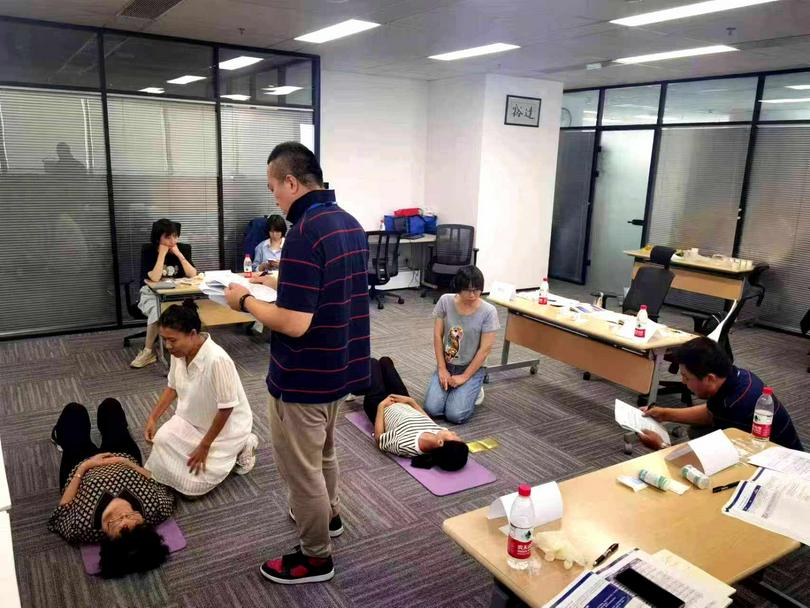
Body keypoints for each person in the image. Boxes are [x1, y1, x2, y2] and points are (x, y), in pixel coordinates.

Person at [224, 141, 370, 585]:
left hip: (302, 374)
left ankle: (315, 557)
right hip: (337, 366)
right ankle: (331, 517)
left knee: (300, 470)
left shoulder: (304, 230)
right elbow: (325, 282)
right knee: (324, 452)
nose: (275, 200)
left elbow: (292, 322)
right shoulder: (347, 222)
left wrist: (245, 299)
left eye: (274, 190)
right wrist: (273, 277)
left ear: (291, 182)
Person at [47, 399, 174, 578]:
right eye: (132, 517)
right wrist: (126, 462)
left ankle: (60, 437)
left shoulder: (82, 528)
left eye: (118, 523)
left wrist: (85, 467)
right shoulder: (157, 509)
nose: (123, 515)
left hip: (80, 466)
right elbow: (157, 480)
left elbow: (59, 514)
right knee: (110, 406)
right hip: (122, 457)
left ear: (107, 536)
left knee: (75, 412)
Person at [144, 301, 258, 497]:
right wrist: (153, 417)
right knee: (162, 441)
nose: (168, 346)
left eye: (172, 340)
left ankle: (244, 444)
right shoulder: (178, 353)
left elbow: (226, 409)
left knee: (191, 492)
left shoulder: (217, 360)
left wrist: (205, 446)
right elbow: (172, 387)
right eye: (164, 339)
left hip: (226, 428)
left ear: (193, 334)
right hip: (192, 418)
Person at [638, 337, 804, 451]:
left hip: (780, 466)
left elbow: (714, 461)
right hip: (762, 446)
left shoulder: (735, 405)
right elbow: (710, 413)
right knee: (698, 431)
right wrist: (664, 413)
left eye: (686, 377)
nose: (683, 382)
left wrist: (661, 446)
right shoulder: (738, 377)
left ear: (709, 378)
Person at [423, 266, 499, 424]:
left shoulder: (489, 311)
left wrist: (465, 376)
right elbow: (438, 336)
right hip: (448, 364)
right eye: (468, 290)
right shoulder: (445, 301)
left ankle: (475, 389)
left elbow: (485, 350)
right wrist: (442, 368)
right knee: (432, 409)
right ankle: (458, 390)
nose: (472, 295)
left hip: (471, 367)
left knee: (455, 415)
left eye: (477, 290)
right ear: (459, 288)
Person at [364, 357, 469, 469]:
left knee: (372, 363)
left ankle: (356, 387)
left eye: (453, 436)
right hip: (404, 402)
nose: (453, 432)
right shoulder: (440, 434)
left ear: (440, 443)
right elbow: (426, 419)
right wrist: (410, 401)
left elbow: (379, 439)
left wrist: (381, 406)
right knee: (385, 362)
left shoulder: (405, 445)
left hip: (380, 406)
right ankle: (364, 384)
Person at [130, 219, 197, 369]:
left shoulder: (182, 249)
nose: (172, 241)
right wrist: (162, 255)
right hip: (151, 293)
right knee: (157, 309)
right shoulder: (149, 251)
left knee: (197, 308)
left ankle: (190, 345)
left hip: (177, 293)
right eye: (167, 237)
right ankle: (148, 352)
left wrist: (179, 255)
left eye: (175, 236)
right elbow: (154, 278)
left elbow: (193, 274)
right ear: (158, 238)